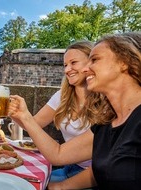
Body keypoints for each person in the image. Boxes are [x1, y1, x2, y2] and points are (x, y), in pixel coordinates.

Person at [9, 32, 141, 189]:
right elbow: (58, 154)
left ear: (124, 62)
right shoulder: (108, 124)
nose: (87, 69)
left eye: (95, 60)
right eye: (65, 65)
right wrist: (23, 116)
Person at [33, 41, 99, 182]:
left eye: (73, 63)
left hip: (94, 175)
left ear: (92, 63)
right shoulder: (62, 96)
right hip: (70, 166)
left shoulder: (106, 101)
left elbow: (58, 155)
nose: (67, 70)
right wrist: (10, 110)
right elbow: (34, 123)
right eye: (65, 65)